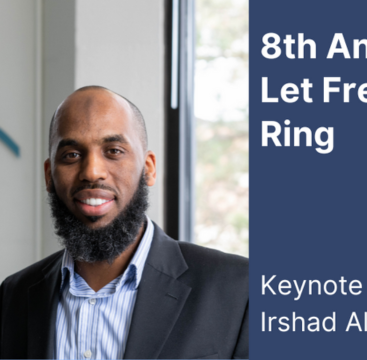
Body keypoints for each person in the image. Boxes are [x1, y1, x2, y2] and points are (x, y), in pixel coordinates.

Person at [0, 86, 248, 359]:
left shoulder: (238, 289)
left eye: (114, 151)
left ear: (149, 168)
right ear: (49, 176)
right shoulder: (13, 296)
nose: (92, 171)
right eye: (71, 155)